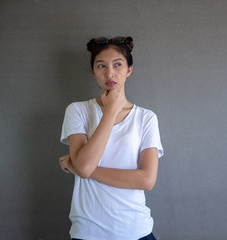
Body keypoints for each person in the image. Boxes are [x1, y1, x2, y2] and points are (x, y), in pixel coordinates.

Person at [59, 36, 164, 240]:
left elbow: (147, 180)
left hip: (136, 231)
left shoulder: (146, 118)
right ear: (93, 72)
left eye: (118, 65)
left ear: (129, 70)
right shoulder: (77, 111)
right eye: (101, 66)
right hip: (88, 231)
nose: (109, 73)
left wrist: (81, 168)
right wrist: (110, 112)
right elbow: (84, 167)